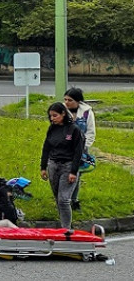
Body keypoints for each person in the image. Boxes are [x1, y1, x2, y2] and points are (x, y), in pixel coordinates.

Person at [40, 101, 85, 229]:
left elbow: (78, 152)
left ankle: (66, 228)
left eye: (55, 116)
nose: (52, 118)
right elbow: (46, 148)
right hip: (53, 165)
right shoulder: (52, 129)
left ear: (63, 114)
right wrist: (43, 167)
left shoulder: (74, 130)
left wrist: (73, 171)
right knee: (58, 198)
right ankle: (62, 224)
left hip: (68, 166)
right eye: (50, 116)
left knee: (64, 199)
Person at [63, 87, 96, 211]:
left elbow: (91, 132)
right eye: (65, 99)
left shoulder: (87, 112)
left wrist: (84, 147)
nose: (67, 102)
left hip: (80, 149)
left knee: (75, 175)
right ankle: (64, 200)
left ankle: (73, 200)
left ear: (78, 101)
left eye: (70, 100)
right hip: (64, 149)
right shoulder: (62, 111)